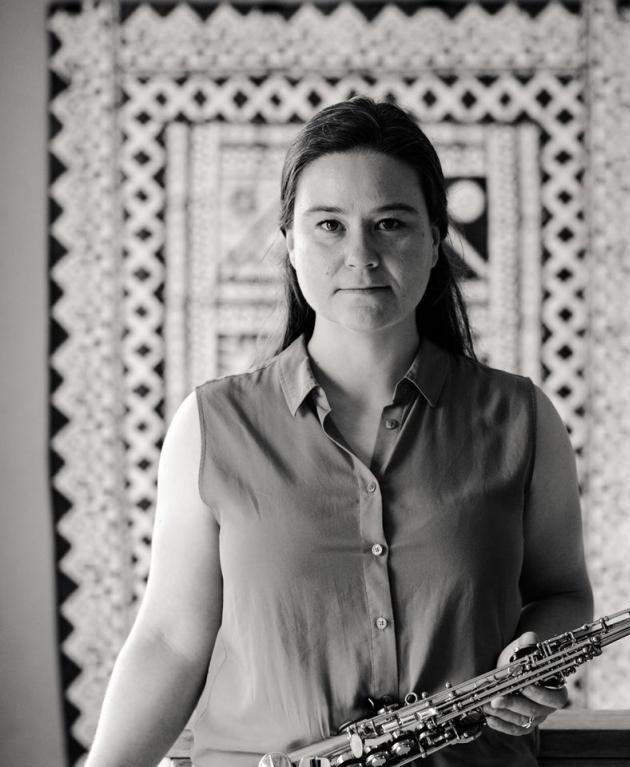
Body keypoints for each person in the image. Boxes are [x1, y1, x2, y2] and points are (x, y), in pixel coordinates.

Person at [85, 96, 593, 767]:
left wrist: (534, 652)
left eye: (391, 224)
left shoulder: (522, 417)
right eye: (329, 225)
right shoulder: (212, 424)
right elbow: (172, 639)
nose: (362, 255)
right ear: (289, 241)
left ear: (437, 239)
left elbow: (564, 593)